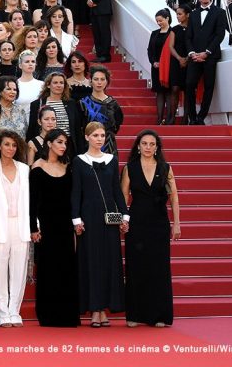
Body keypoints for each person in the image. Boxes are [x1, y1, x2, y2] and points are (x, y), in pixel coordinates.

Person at [71, 122, 129, 327]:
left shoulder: (112, 160)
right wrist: (76, 220)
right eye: (95, 135)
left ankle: (105, 308)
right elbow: (76, 193)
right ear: (87, 137)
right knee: (92, 263)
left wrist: (125, 216)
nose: (99, 139)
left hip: (109, 219)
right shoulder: (78, 161)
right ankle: (95, 309)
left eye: (102, 135)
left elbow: (116, 190)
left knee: (109, 263)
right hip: (88, 219)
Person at [121, 130, 181, 327]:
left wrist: (177, 223)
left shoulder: (166, 168)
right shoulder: (130, 168)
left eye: (151, 144)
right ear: (138, 146)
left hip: (159, 224)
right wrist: (123, 221)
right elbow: (123, 198)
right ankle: (134, 315)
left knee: (158, 269)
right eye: (144, 143)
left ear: (157, 147)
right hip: (136, 224)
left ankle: (159, 315)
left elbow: (174, 197)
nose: (148, 147)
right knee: (136, 267)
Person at [29, 129, 79, 327]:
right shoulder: (37, 168)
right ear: (49, 143)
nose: (63, 146)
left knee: (67, 268)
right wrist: (33, 228)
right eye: (59, 142)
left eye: (65, 143)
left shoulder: (68, 166)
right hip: (46, 226)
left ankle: (67, 314)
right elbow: (32, 203)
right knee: (48, 270)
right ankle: (48, 314)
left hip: (66, 225)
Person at [0, 130, 31, 327]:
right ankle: (2, 313)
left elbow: (30, 200)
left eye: (13, 145)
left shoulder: (24, 169)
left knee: (19, 269)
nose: (10, 148)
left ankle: (14, 312)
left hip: (20, 224)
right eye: (6, 144)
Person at [185, 0, 226, 125]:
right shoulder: (194, 14)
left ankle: (201, 117)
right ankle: (192, 117)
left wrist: (207, 52)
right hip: (194, 57)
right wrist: (192, 53)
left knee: (209, 86)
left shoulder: (220, 12)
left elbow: (220, 35)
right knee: (189, 85)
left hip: (210, 56)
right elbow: (188, 36)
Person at [27, 72, 84, 155]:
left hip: (67, 148)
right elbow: (32, 129)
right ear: (48, 85)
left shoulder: (71, 104)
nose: (59, 85)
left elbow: (77, 130)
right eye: (55, 82)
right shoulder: (37, 104)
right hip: (45, 147)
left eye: (61, 83)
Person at [79, 66, 123, 156]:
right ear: (91, 81)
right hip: (88, 146)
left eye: (102, 79)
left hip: (109, 145)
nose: (99, 82)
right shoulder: (82, 103)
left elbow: (117, 124)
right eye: (96, 79)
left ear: (107, 82)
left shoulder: (113, 103)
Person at [149, 9, 173, 124]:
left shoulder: (173, 32)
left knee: (168, 92)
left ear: (167, 18)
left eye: (161, 20)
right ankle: (159, 118)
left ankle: (169, 118)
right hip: (156, 67)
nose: (159, 23)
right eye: (157, 21)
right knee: (159, 92)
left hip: (169, 67)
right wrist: (153, 62)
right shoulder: (154, 33)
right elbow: (150, 50)